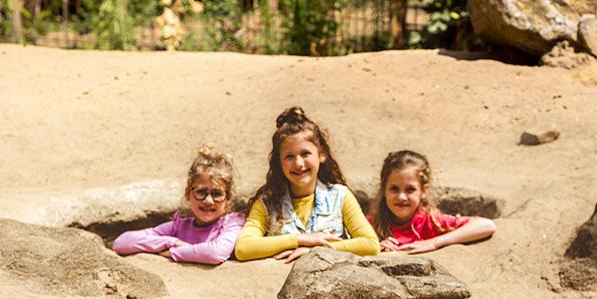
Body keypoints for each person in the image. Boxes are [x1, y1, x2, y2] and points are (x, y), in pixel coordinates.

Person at [234, 107, 379, 263]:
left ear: (321, 154)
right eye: (289, 156)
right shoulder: (267, 204)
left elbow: (370, 245)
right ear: (279, 162)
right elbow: (243, 248)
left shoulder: (340, 196)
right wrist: (300, 239)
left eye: (305, 154)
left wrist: (316, 250)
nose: (298, 163)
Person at [112, 148, 246, 265]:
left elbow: (215, 253)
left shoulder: (232, 223)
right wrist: (172, 242)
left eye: (217, 194)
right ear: (188, 194)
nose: (209, 200)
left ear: (227, 198)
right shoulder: (180, 225)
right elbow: (121, 243)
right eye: (201, 192)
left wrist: (173, 253)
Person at [369, 150, 496, 254]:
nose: (402, 197)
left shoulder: (431, 221)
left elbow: (486, 225)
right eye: (394, 189)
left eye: (410, 190)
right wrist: (373, 247)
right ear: (384, 190)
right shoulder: (371, 224)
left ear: (424, 190)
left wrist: (433, 243)